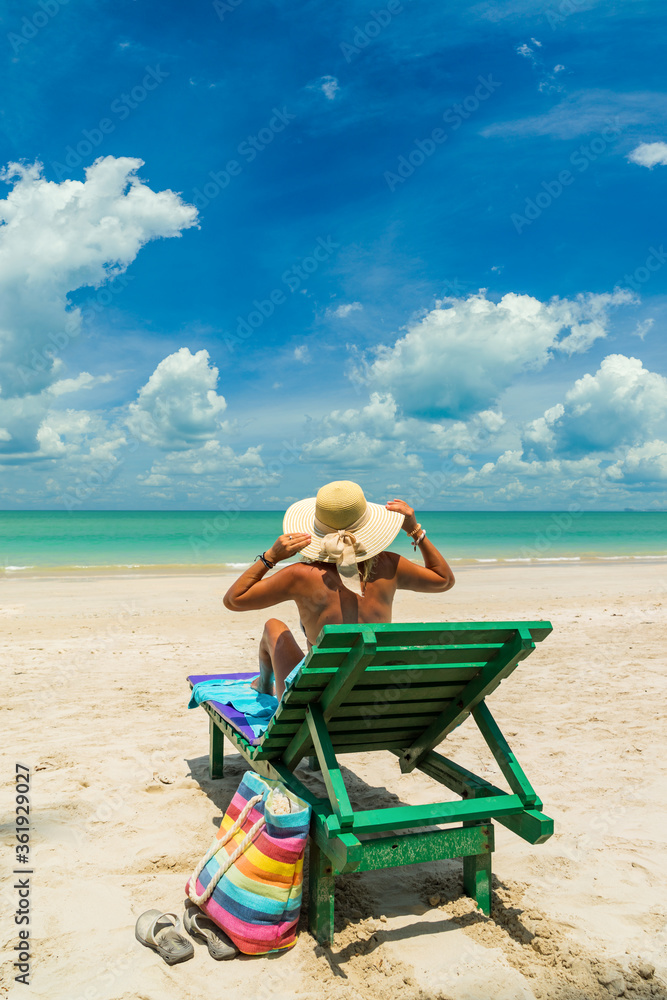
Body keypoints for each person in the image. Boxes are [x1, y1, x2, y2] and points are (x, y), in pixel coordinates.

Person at [223, 480, 455, 700]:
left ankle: (264, 685)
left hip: (315, 700)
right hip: (372, 692)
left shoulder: (300, 576)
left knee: (274, 627)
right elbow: (444, 580)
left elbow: (234, 600)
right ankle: (264, 685)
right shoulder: (390, 566)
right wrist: (415, 530)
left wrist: (270, 557)